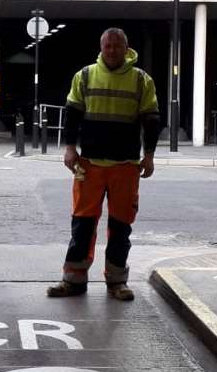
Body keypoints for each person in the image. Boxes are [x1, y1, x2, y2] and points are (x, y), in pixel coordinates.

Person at [48, 28, 162, 301]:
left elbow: (152, 119)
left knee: (121, 226)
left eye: (117, 46)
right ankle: (73, 280)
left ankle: (116, 281)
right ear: (101, 47)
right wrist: (70, 148)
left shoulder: (141, 80)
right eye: (107, 46)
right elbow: (73, 115)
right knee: (82, 224)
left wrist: (149, 155)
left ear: (126, 48)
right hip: (89, 164)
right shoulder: (85, 76)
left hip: (125, 165)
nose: (112, 50)